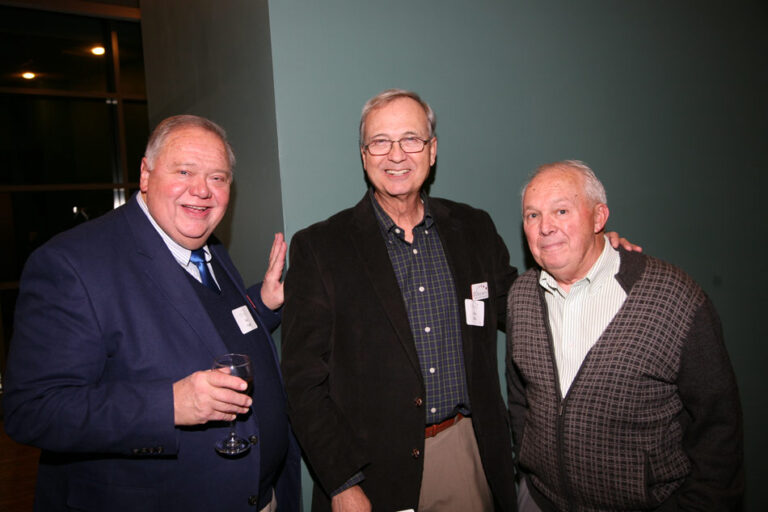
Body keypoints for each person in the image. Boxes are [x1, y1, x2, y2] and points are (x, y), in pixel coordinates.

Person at [281, 90, 634, 512]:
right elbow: (302, 383)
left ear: (432, 151)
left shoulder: (473, 229)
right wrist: (341, 482)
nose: (396, 154)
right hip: (370, 470)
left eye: (411, 139)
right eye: (380, 141)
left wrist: (592, 258)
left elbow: (523, 305)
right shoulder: (321, 247)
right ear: (364, 154)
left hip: (466, 452)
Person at [3, 115, 300, 512]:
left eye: (218, 178)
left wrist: (262, 303)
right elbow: (33, 410)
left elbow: (200, 329)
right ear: (145, 174)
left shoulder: (208, 248)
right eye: (184, 171)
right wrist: (169, 405)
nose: (202, 191)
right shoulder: (72, 264)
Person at [506, 160, 744, 511]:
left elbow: (718, 427)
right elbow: (519, 397)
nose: (545, 228)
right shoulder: (521, 296)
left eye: (561, 210)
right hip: (540, 501)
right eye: (532, 215)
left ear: (599, 218)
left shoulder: (673, 297)